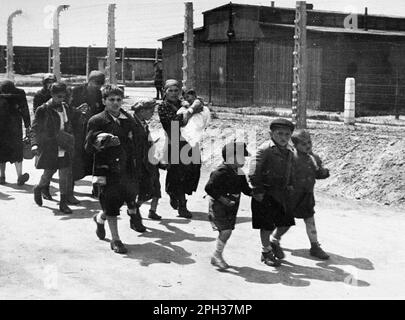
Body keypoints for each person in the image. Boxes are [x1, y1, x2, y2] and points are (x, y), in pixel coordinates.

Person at [86, 85, 139, 254]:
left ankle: (100, 219)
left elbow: (135, 143)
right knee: (110, 202)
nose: (116, 103)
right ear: (104, 101)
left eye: (118, 100)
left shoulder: (128, 119)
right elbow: (87, 147)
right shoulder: (97, 120)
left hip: (125, 168)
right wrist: (103, 140)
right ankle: (116, 239)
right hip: (105, 169)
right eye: (111, 100)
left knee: (122, 200)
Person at [31, 82, 85, 214]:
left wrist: (81, 111)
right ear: (52, 95)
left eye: (63, 96)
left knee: (65, 174)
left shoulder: (65, 106)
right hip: (50, 145)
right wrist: (34, 144)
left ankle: (63, 202)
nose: (61, 99)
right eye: (59, 96)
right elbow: (35, 128)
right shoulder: (43, 109)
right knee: (49, 172)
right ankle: (39, 187)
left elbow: (73, 117)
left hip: (65, 144)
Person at [248, 118, 295, 267]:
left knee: (286, 222)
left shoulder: (290, 150)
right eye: (279, 133)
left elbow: (291, 169)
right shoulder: (265, 149)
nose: (283, 137)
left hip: (281, 193)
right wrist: (258, 190)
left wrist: (291, 184)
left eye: (287, 134)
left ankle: (274, 241)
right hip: (265, 192)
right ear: (271, 134)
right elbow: (253, 170)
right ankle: (266, 251)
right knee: (266, 225)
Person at [157, 79, 202, 218]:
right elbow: (173, 123)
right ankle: (182, 204)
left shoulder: (185, 103)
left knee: (194, 169)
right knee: (178, 173)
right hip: (175, 142)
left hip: (191, 141)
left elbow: (201, 106)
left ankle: (175, 193)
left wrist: (192, 107)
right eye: (170, 90)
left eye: (176, 90)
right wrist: (189, 112)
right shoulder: (163, 107)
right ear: (165, 92)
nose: (173, 93)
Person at [205, 141, 252, 270]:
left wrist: (256, 193)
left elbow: (245, 189)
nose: (245, 160)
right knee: (226, 231)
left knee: (226, 231)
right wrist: (223, 199)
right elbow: (209, 188)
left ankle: (217, 255)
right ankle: (217, 255)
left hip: (232, 207)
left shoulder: (240, 172)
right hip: (219, 206)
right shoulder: (220, 172)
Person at [290, 129, 330, 260]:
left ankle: (315, 246)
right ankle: (273, 240)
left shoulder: (313, 158)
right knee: (283, 223)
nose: (308, 146)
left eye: (309, 142)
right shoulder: (291, 158)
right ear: (295, 145)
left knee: (310, 221)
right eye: (303, 144)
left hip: (307, 196)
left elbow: (317, 173)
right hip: (291, 195)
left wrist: (323, 173)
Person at [69, 70, 105, 184]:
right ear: (89, 81)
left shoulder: (99, 94)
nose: (98, 86)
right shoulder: (77, 91)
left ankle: (95, 186)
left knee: (93, 157)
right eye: (96, 83)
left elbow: (101, 110)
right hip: (77, 129)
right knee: (76, 157)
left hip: (91, 129)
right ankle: (70, 186)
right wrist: (78, 110)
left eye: (100, 84)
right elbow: (68, 108)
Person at [131, 98, 162, 229]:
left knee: (150, 188)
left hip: (147, 160)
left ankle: (136, 212)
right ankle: (134, 217)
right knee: (140, 191)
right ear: (142, 111)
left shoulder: (143, 123)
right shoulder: (132, 124)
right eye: (151, 111)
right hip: (137, 162)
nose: (152, 114)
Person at [0, 80, 31, 186]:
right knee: (11, 151)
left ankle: (7, 176)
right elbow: (25, 110)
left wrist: (27, 126)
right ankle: (13, 176)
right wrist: (27, 126)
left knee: (7, 152)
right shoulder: (18, 94)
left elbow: (25, 110)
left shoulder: (19, 94)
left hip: (9, 127)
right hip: (10, 127)